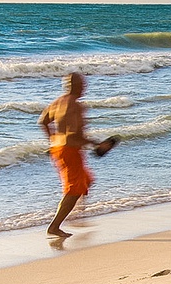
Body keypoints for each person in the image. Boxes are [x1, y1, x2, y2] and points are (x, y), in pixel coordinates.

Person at [38, 72, 115, 238]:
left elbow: (43, 121)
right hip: (69, 151)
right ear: (77, 86)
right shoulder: (76, 106)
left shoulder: (57, 102)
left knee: (86, 180)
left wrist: (52, 139)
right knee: (74, 189)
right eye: (83, 84)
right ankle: (55, 226)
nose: (85, 87)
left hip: (58, 149)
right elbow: (74, 134)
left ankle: (77, 213)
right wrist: (97, 144)